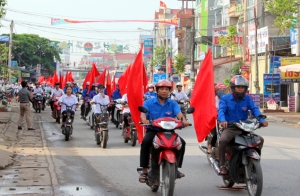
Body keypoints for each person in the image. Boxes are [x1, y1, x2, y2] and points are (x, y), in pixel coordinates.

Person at [139, 80, 190, 183]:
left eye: (166, 89)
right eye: (162, 89)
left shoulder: (172, 103)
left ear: (169, 91)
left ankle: (176, 168)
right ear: (157, 90)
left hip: (169, 131)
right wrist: (144, 119)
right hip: (154, 130)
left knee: (182, 143)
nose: (164, 91)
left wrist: (184, 120)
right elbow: (143, 113)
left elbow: (179, 113)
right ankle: (144, 170)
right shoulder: (149, 102)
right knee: (146, 142)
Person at [218, 75, 268, 175]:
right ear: (233, 88)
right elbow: (221, 111)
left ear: (245, 89)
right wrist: (223, 120)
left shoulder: (248, 98)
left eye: (242, 87)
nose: (240, 89)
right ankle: (222, 165)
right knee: (223, 140)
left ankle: (253, 162)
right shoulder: (225, 98)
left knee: (259, 140)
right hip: (230, 128)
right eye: (238, 87)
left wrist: (261, 120)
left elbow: (254, 109)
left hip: (244, 127)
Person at [207, 83, 227, 154]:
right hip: (215, 119)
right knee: (216, 132)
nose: (222, 91)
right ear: (216, 91)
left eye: (223, 90)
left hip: (225, 119)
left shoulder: (226, 99)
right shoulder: (213, 100)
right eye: (220, 90)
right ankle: (210, 146)